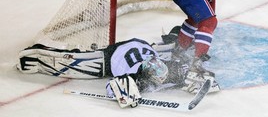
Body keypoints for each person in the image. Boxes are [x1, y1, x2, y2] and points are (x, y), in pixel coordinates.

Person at [17, 37, 195, 108]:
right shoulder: (132, 72)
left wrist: (188, 76)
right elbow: (113, 88)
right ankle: (38, 51)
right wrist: (127, 91)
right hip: (112, 55)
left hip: (139, 44)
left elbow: (178, 67)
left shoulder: (159, 63)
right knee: (80, 63)